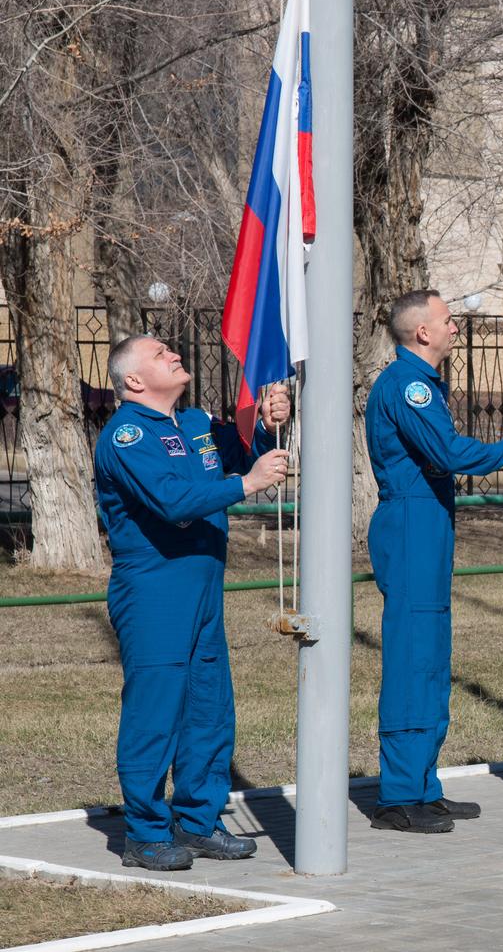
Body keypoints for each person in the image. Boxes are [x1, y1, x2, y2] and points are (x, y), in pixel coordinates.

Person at [94, 334, 291, 871]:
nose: (175, 355)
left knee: (209, 710)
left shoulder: (195, 422)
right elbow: (173, 501)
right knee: (156, 713)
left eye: (171, 350)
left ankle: (199, 821)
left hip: (203, 589)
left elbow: (239, 451)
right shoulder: (128, 435)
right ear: (135, 380)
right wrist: (246, 484)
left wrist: (265, 424)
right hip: (155, 590)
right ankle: (145, 834)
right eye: (160, 354)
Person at [365, 288, 503, 834]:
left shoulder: (424, 383)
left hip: (428, 522)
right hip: (411, 524)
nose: (455, 327)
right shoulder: (407, 386)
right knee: (412, 657)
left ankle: (422, 786)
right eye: (447, 320)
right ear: (422, 332)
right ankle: (399, 795)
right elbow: (448, 453)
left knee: (430, 657)